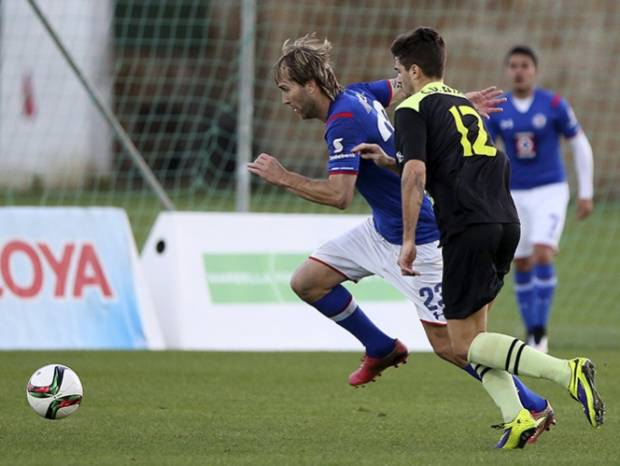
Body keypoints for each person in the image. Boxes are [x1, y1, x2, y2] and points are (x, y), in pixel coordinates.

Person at [248, 34, 554, 444]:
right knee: (308, 281)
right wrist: (458, 103)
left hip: (419, 238)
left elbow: (339, 196)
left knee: (454, 346)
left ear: (310, 86)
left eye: (286, 89)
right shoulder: (360, 92)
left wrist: (282, 177)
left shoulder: (342, 121)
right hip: (381, 228)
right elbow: (414, 87)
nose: (284, 100)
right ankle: (381, 346)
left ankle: (534, 404)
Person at [355, 27, 603, 449]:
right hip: (504, 222)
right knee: (477, 340)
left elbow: (417, 172)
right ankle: (517, 417)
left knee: (461, 343)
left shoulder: (412, 108)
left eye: (399, 70)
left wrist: (410, 239)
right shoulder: (460, 103)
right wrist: (388, 159)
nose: (396, 77)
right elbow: (442, 160)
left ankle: (567, 371)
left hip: (468, 226)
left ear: (414, 70)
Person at [485, 46, 594, 353]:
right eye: (514, 65)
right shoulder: (499, 108)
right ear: (508, 70)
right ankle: (532, 332)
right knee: (519, 260)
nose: (519, 71)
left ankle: (539, 330)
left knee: (543, 253)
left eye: (525, 65)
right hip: (514, 193)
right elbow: (485, 149)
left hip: (550, 190)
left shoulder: (554, 104)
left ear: (535, 70)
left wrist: (586, 192)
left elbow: (579, 143)